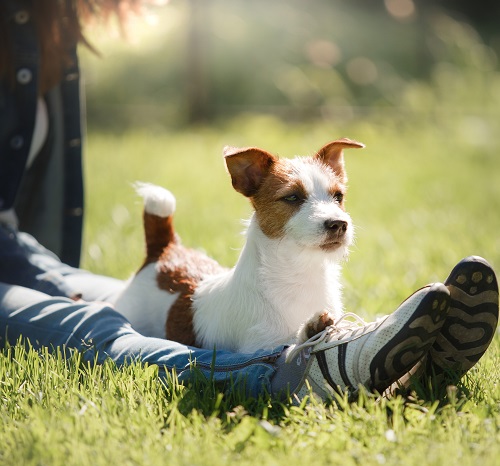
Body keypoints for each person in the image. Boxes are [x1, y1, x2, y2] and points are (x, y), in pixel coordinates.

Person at [0, 0, 498, 403]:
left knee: (79, 290)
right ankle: (325, 365)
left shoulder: (37, 39)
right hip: (154, 298)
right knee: (105, 326)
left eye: (336, 197)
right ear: (247, 183)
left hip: (11, 242)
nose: (334, 217)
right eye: (294, 200)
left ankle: (400, 357)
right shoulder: (251, 299)